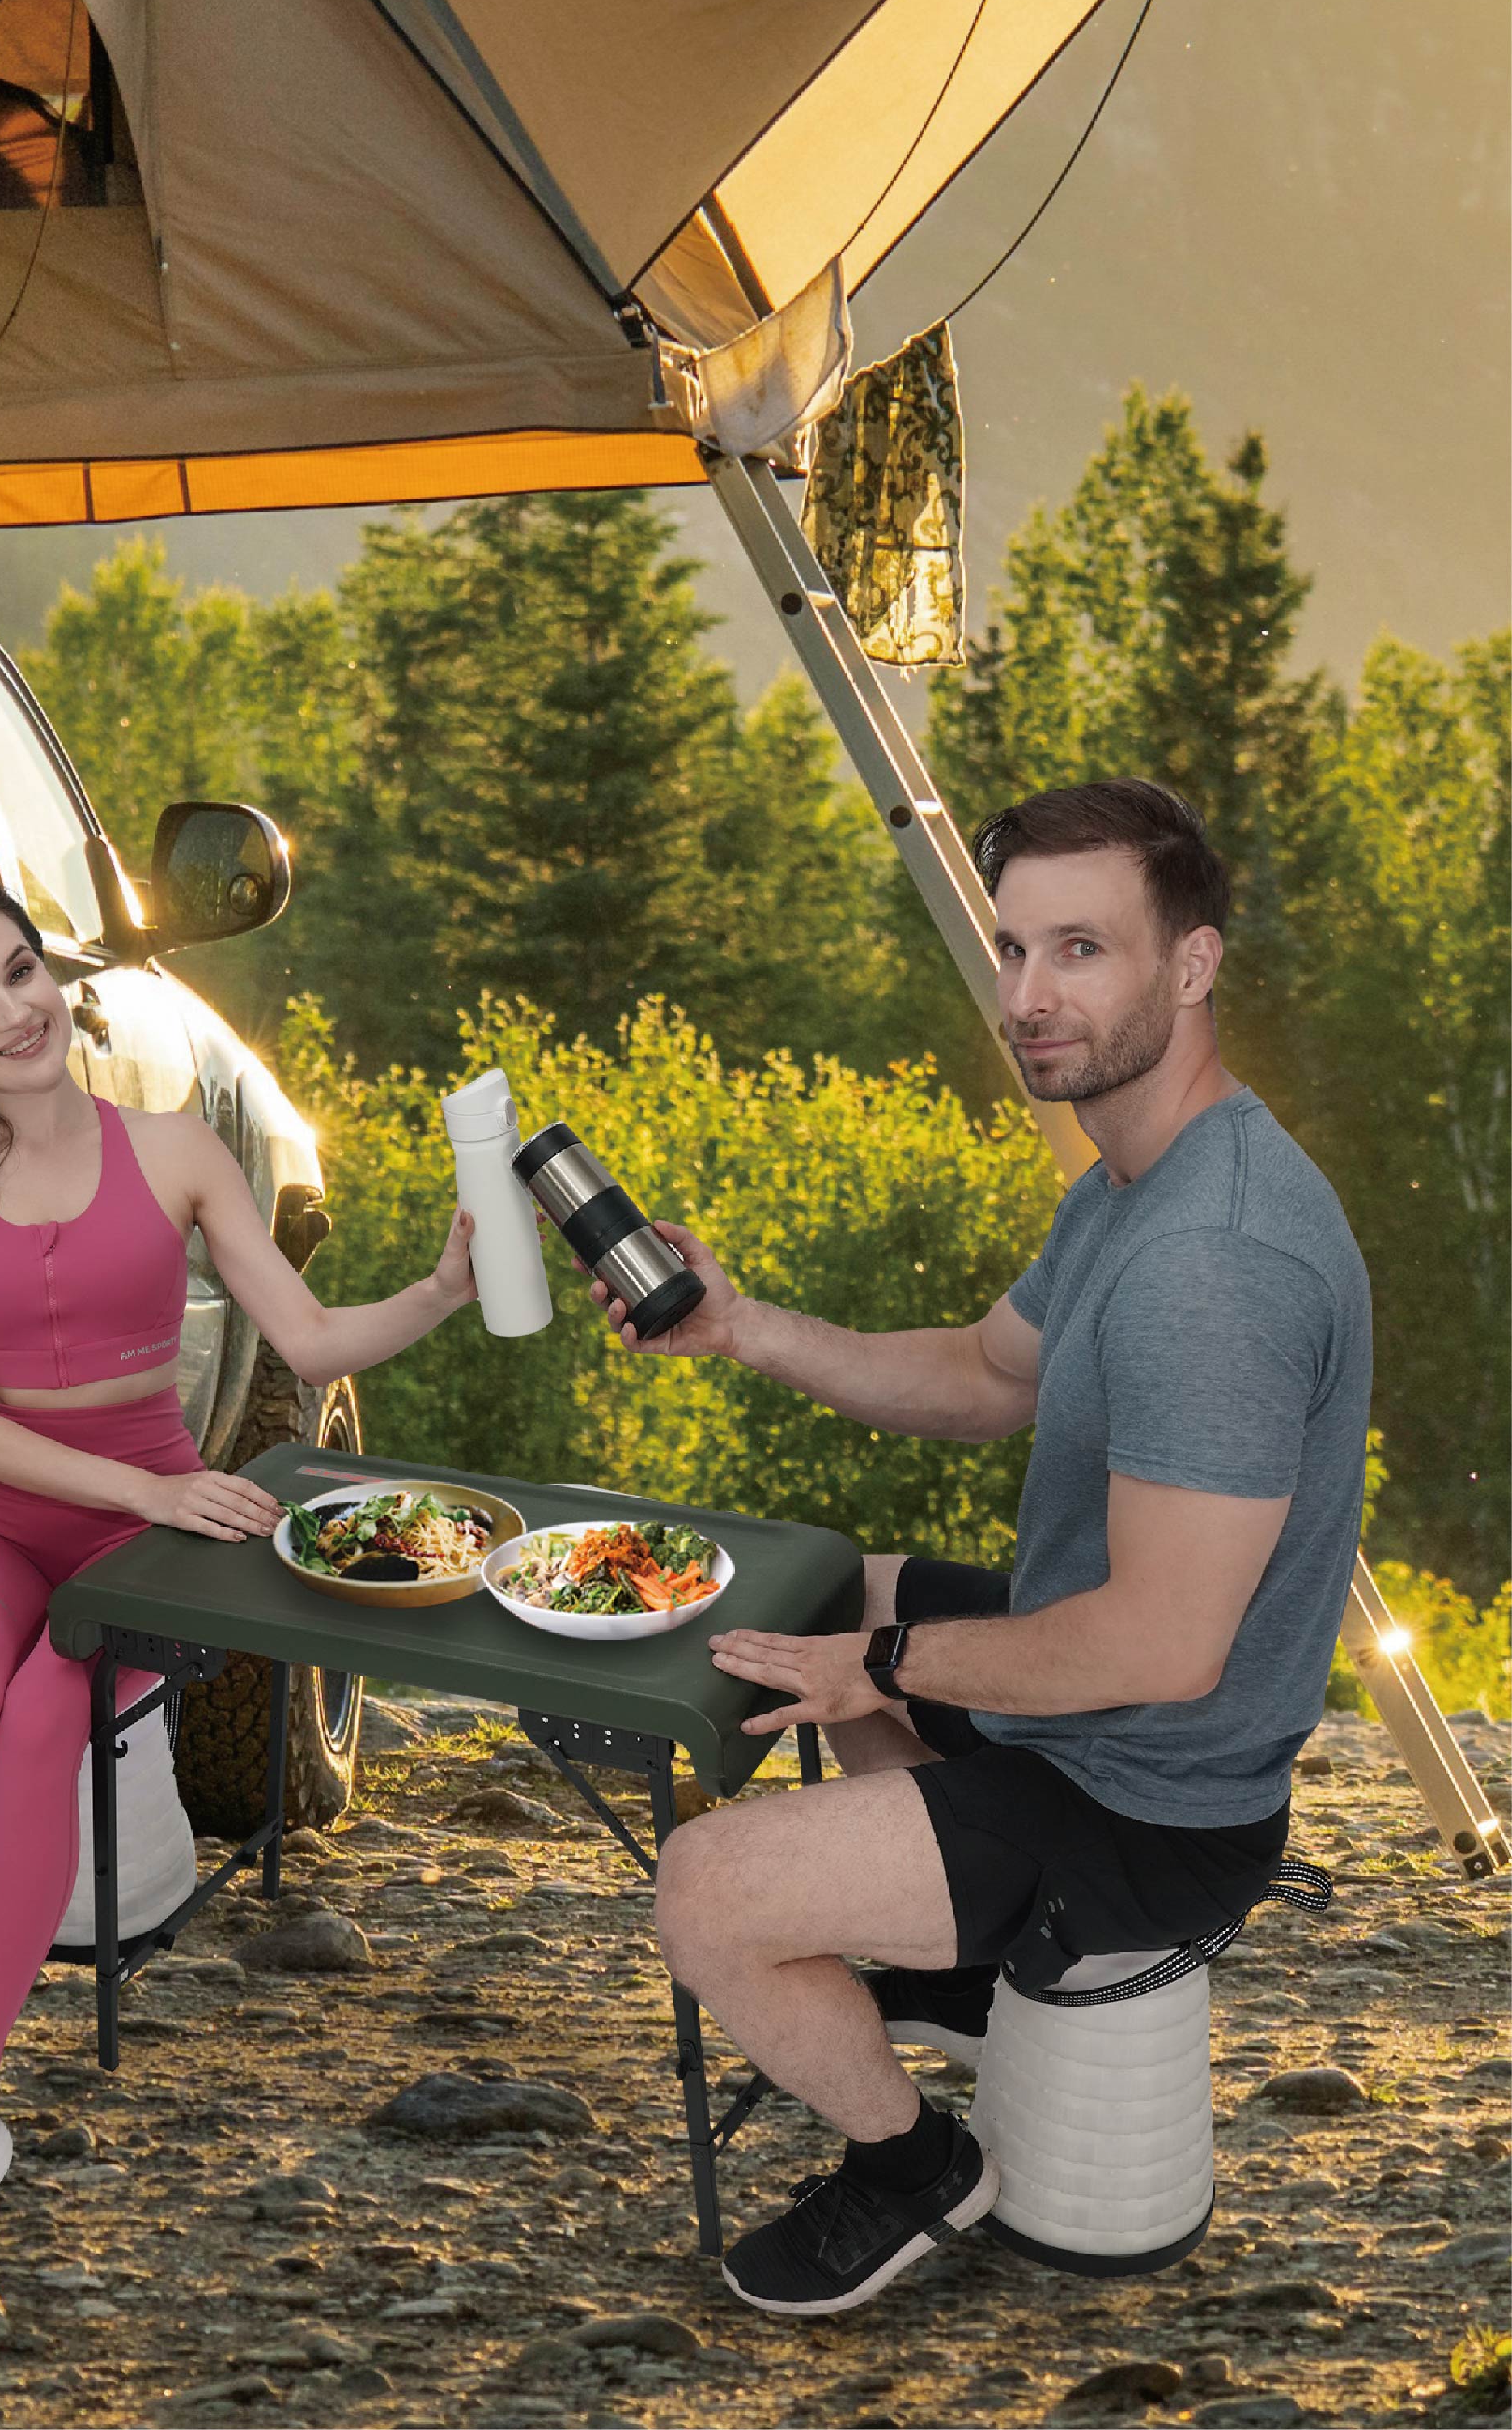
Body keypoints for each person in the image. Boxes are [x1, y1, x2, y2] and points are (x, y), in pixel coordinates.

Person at [592, 779, 1370, 2320]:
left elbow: (1160, 1647)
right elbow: (988, 1374)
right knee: (844, 1579)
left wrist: (876, 1668)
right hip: (1113, 1718)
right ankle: (955, 1967)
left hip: (1156, 1802)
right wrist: (745, 1331)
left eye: (1081, 949)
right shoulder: (1137, 1185)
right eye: (1015, 950)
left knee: (704, 1890)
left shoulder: (1211, 1262)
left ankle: (910, 2172)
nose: (1028, 997)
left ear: (1193, 965)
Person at [0, 860, 478, 2302]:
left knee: (44, 1730)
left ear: (46, 972)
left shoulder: (181, 1146)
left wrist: (442, 1289)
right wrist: (150, 1485)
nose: (12, 1013)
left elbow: (310, 1344)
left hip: (141, 1539)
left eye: (18, 972)